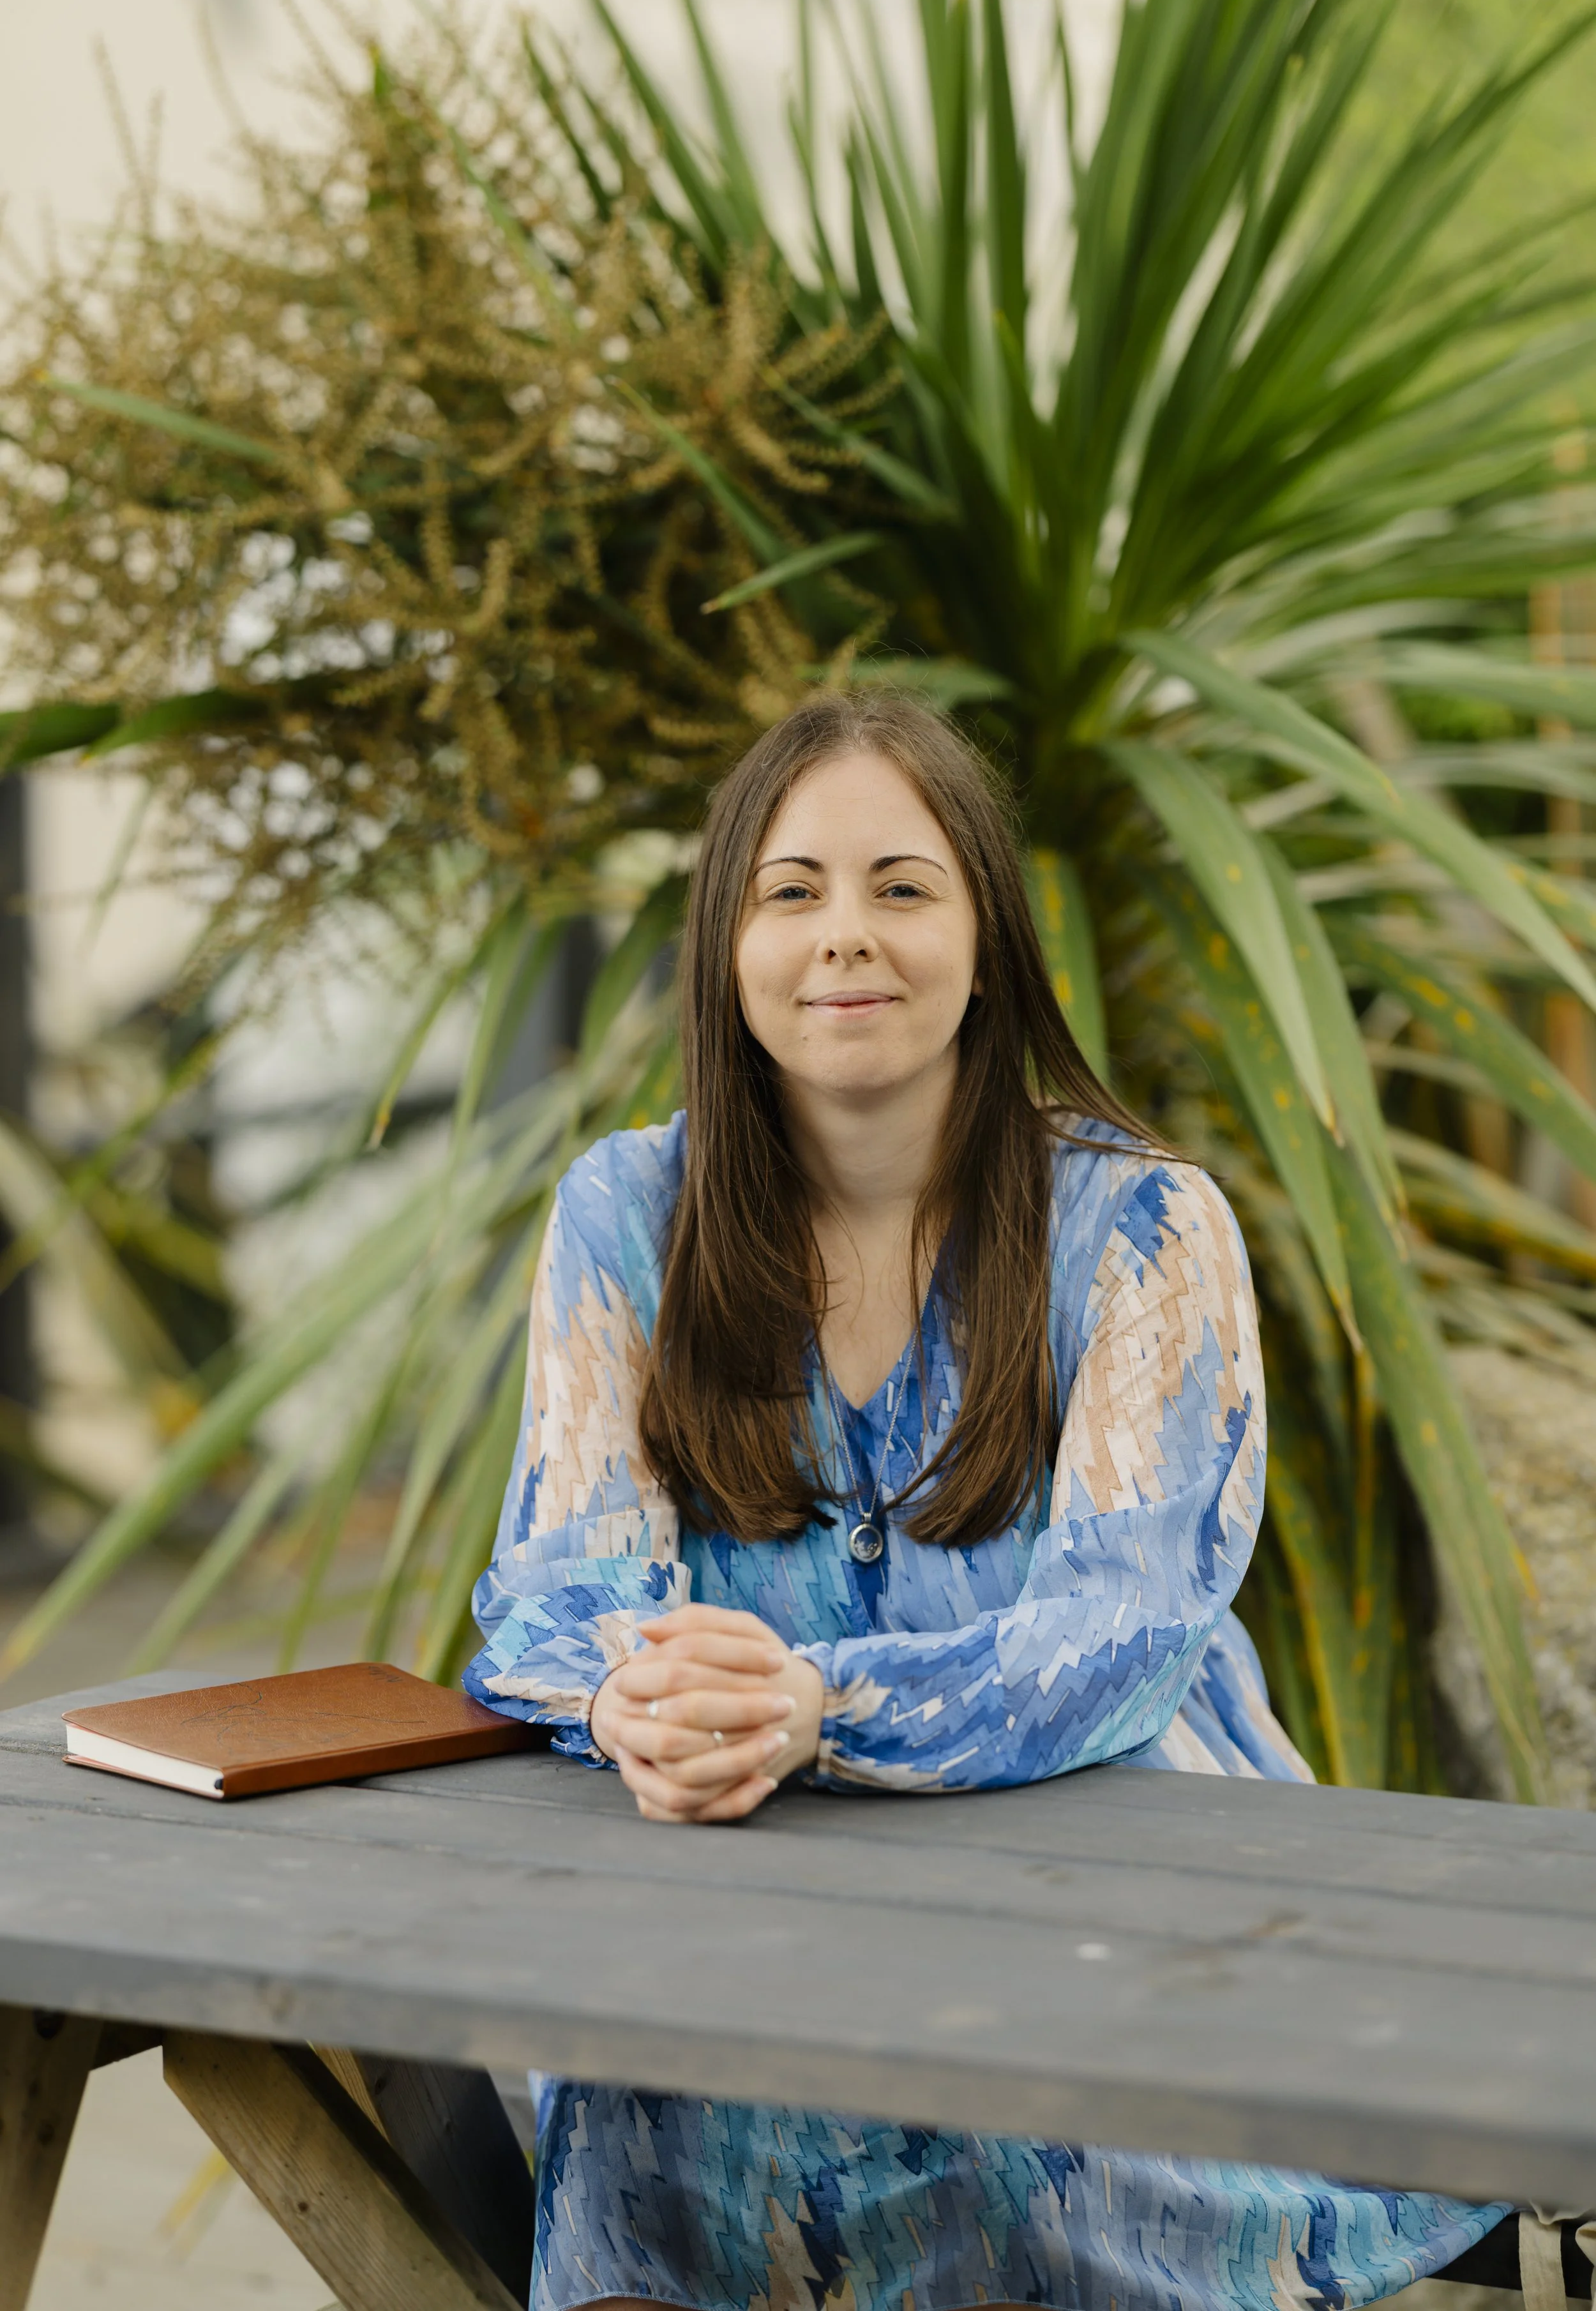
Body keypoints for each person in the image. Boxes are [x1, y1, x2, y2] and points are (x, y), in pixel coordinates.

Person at [465, 689, 1505, 2311]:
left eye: (902, 886)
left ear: (985, 934)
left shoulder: (1146, 1227)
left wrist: (819, 1703)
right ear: (724, 945)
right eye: (790, 890)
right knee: (640, 2091)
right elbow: (547, 1588)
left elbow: (1122, 1631)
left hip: (1127, 1908)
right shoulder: (627, 1207)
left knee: (998, 2120)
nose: (843, 940)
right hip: (754, 1901)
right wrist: (638, 1692)